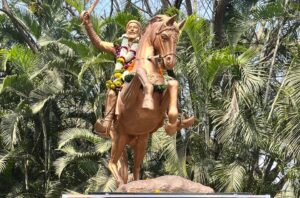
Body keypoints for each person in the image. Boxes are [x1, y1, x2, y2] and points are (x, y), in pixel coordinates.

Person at [80, 10, 142, 137]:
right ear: (126, 30)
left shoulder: (144, 46)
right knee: (112, 92)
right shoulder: (118, 48)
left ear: (140, 31)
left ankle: (172, 118)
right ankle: (106, 125)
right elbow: (99, 43)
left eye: (135, 27)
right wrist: (88, 25)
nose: (132, 29)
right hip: (121, 80)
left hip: (141, 77)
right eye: (130, 27)